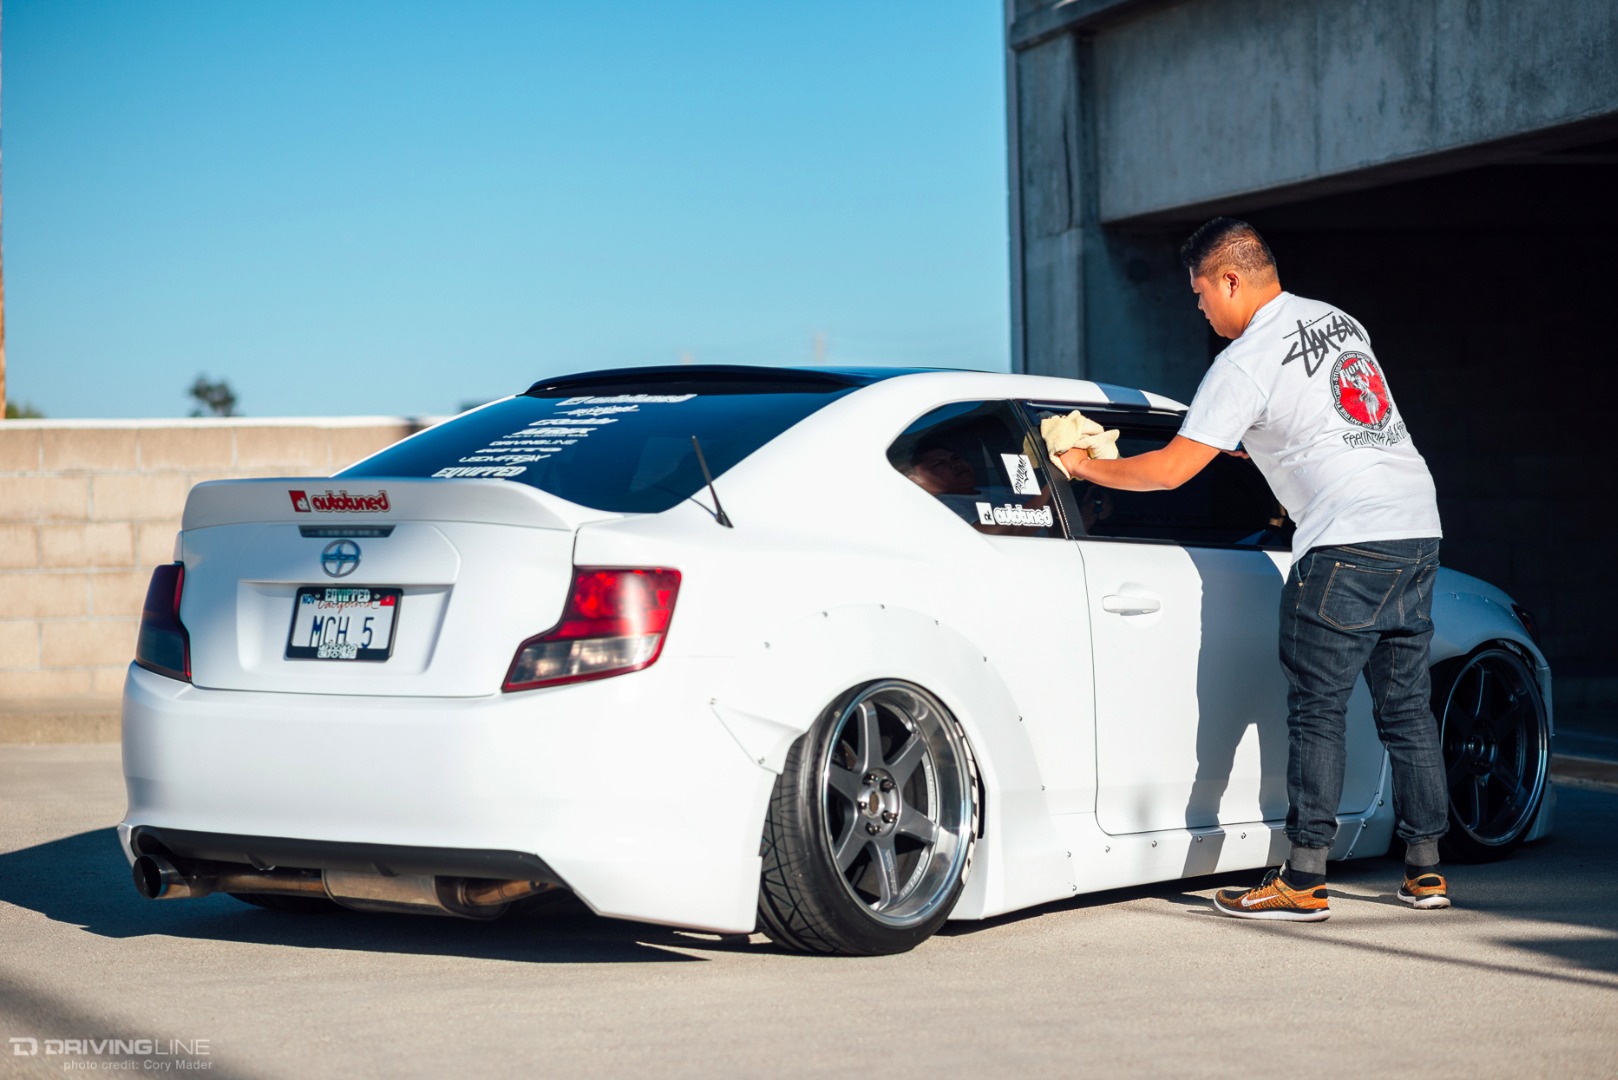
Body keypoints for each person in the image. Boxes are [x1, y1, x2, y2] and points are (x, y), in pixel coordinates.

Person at [1051, 218, 1450, 922]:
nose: (1198, 307)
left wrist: (1085, 466)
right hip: (1415, 522)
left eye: (1200, 291)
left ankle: (1303, 878)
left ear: (1230, 280)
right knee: (1406, 710)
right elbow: (1327, 422)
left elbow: (1173, 470)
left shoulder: (1243, 360)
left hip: (1345, 539)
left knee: (1318, 712)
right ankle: (1426, 872)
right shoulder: (1334, 320)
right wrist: (1253, 449)